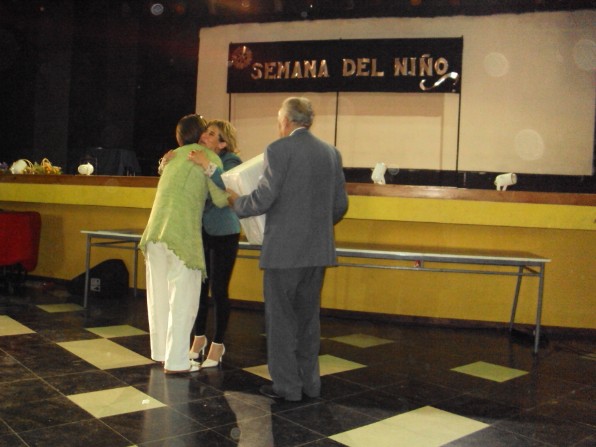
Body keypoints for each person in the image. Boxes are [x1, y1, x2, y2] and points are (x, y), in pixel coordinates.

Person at [227, 97, 349, 401]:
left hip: (283, 253)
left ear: (285, 120)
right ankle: (311, 384)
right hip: (317, 251)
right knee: (308, 321)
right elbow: (340, 205)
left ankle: (287, 387)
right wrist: (315, 227)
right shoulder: (331, 153)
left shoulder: (278, 149)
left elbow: (263, 199)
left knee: (281, 322)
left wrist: (236, 202)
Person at [139, 114, 229, 374]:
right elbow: (221, 199)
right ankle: (177, 362)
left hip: (154, 233)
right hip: (182, 237)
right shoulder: (207, 157)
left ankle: (161, 353)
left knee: (159, 298)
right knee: (183, 300)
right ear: (199, 134)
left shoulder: (171, 157)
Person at [187, 120, 242, 368]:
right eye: (205, 132)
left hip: (224, 232)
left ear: (222, 143)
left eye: (211, 134)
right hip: (202, 230)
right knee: (199, 288)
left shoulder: (231, 161)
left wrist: (206, 165)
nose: (204, 136)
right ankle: (199, 338)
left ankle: (218, 344)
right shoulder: (197, 156)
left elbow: (227, 186)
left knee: (219, 290)